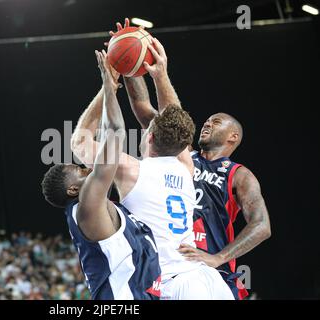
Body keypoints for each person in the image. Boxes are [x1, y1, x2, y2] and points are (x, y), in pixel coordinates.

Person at [71, 23, 233, 300]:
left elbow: (79, 143)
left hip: (172, 283)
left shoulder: (130, 170)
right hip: (206, 279)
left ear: (149, 136)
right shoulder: (186, 167)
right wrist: (157, 73)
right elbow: (175, 121)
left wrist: (108, 86)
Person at [119, 18, 271, 299]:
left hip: (213, 273)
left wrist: (219, 257)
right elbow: (147, 112)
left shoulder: (238, 174)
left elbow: (262, 226)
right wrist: (129, 64)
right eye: (208, 120)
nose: (207, 123)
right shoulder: (181, 157)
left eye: (216, 121)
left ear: (233, 137)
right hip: (173, 271)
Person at [41, 50, 161, 300]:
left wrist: (112, 84)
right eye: (81, 170)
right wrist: (108, 83)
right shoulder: (88, 206)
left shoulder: (100, 207)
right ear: (73, 190)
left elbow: (90, 135)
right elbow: (115, 132)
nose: (88, 168)